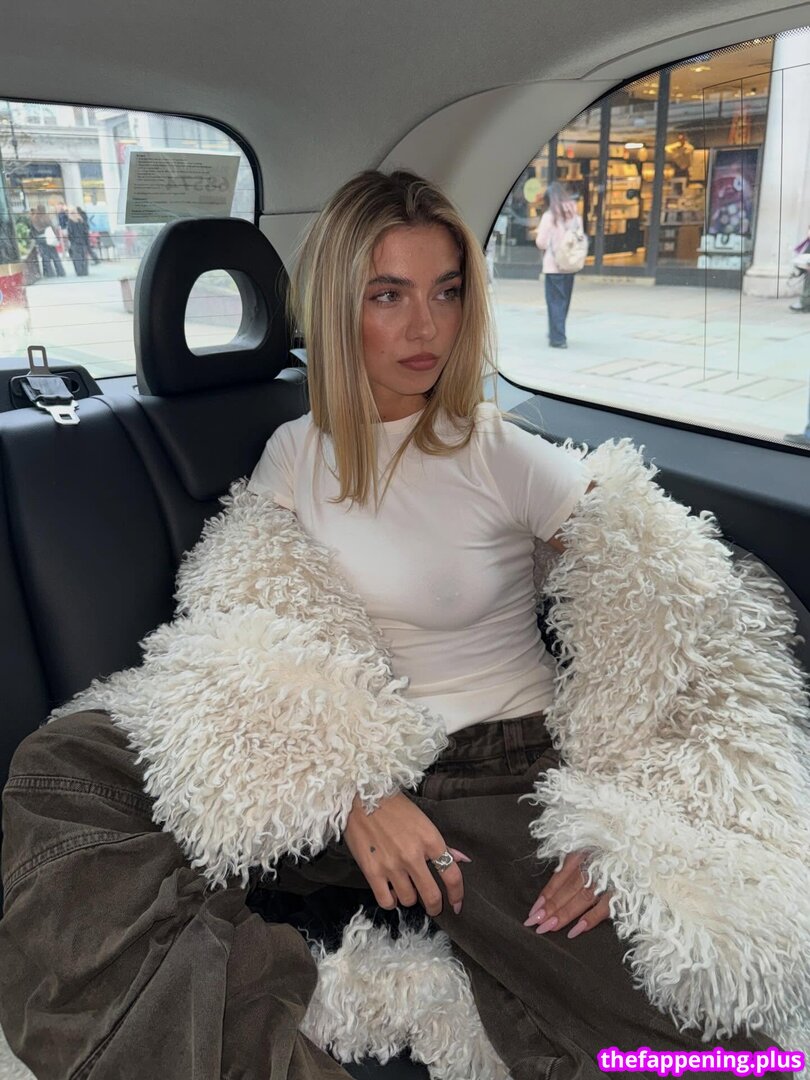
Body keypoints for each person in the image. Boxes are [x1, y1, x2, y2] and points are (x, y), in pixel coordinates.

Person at [0, 170, 804, 1080]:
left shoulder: (497, 449)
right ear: (337, 308)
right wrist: (348, 786)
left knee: (695, 1050)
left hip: (499, 774)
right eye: (388, 295)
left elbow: (680, 605)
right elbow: (246, 627)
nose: (427, 327)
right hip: (355, 773)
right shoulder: (292, 454)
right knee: (66, 768)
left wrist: (642, 830)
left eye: (446, 292)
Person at [534, 182, 582, 348]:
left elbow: (541, 242)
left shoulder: (549, 216)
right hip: (570, 264)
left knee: (555, 301)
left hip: (553, 266)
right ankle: (556, 331)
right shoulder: (574, 215)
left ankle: (558, 338)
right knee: (564, 301)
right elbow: (579, 237)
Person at [27, 204, 65, 278]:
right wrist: (56, 236)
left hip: (40, 239)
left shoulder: (34, 218)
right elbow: (52, 227)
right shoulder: (46, 217)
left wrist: (33, 237)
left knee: (45, 257)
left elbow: (33, 230)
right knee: (55, 256)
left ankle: (50, 273)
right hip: (49, 238)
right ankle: (60, 272)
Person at [789, 224, 810, 313]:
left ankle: (804, 303)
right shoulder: (807, 244)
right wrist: (799, 270)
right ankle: (805, 304)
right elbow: (803, 257)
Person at [65, 206, 91, 276]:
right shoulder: (81, 220)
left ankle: (79, 272)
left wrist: (71, 239)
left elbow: (70, 233)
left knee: (77, 258)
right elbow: (86, 230)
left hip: (75, 242)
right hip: (83, 241)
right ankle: (85, 271)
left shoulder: (70, 221)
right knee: (84, 257)